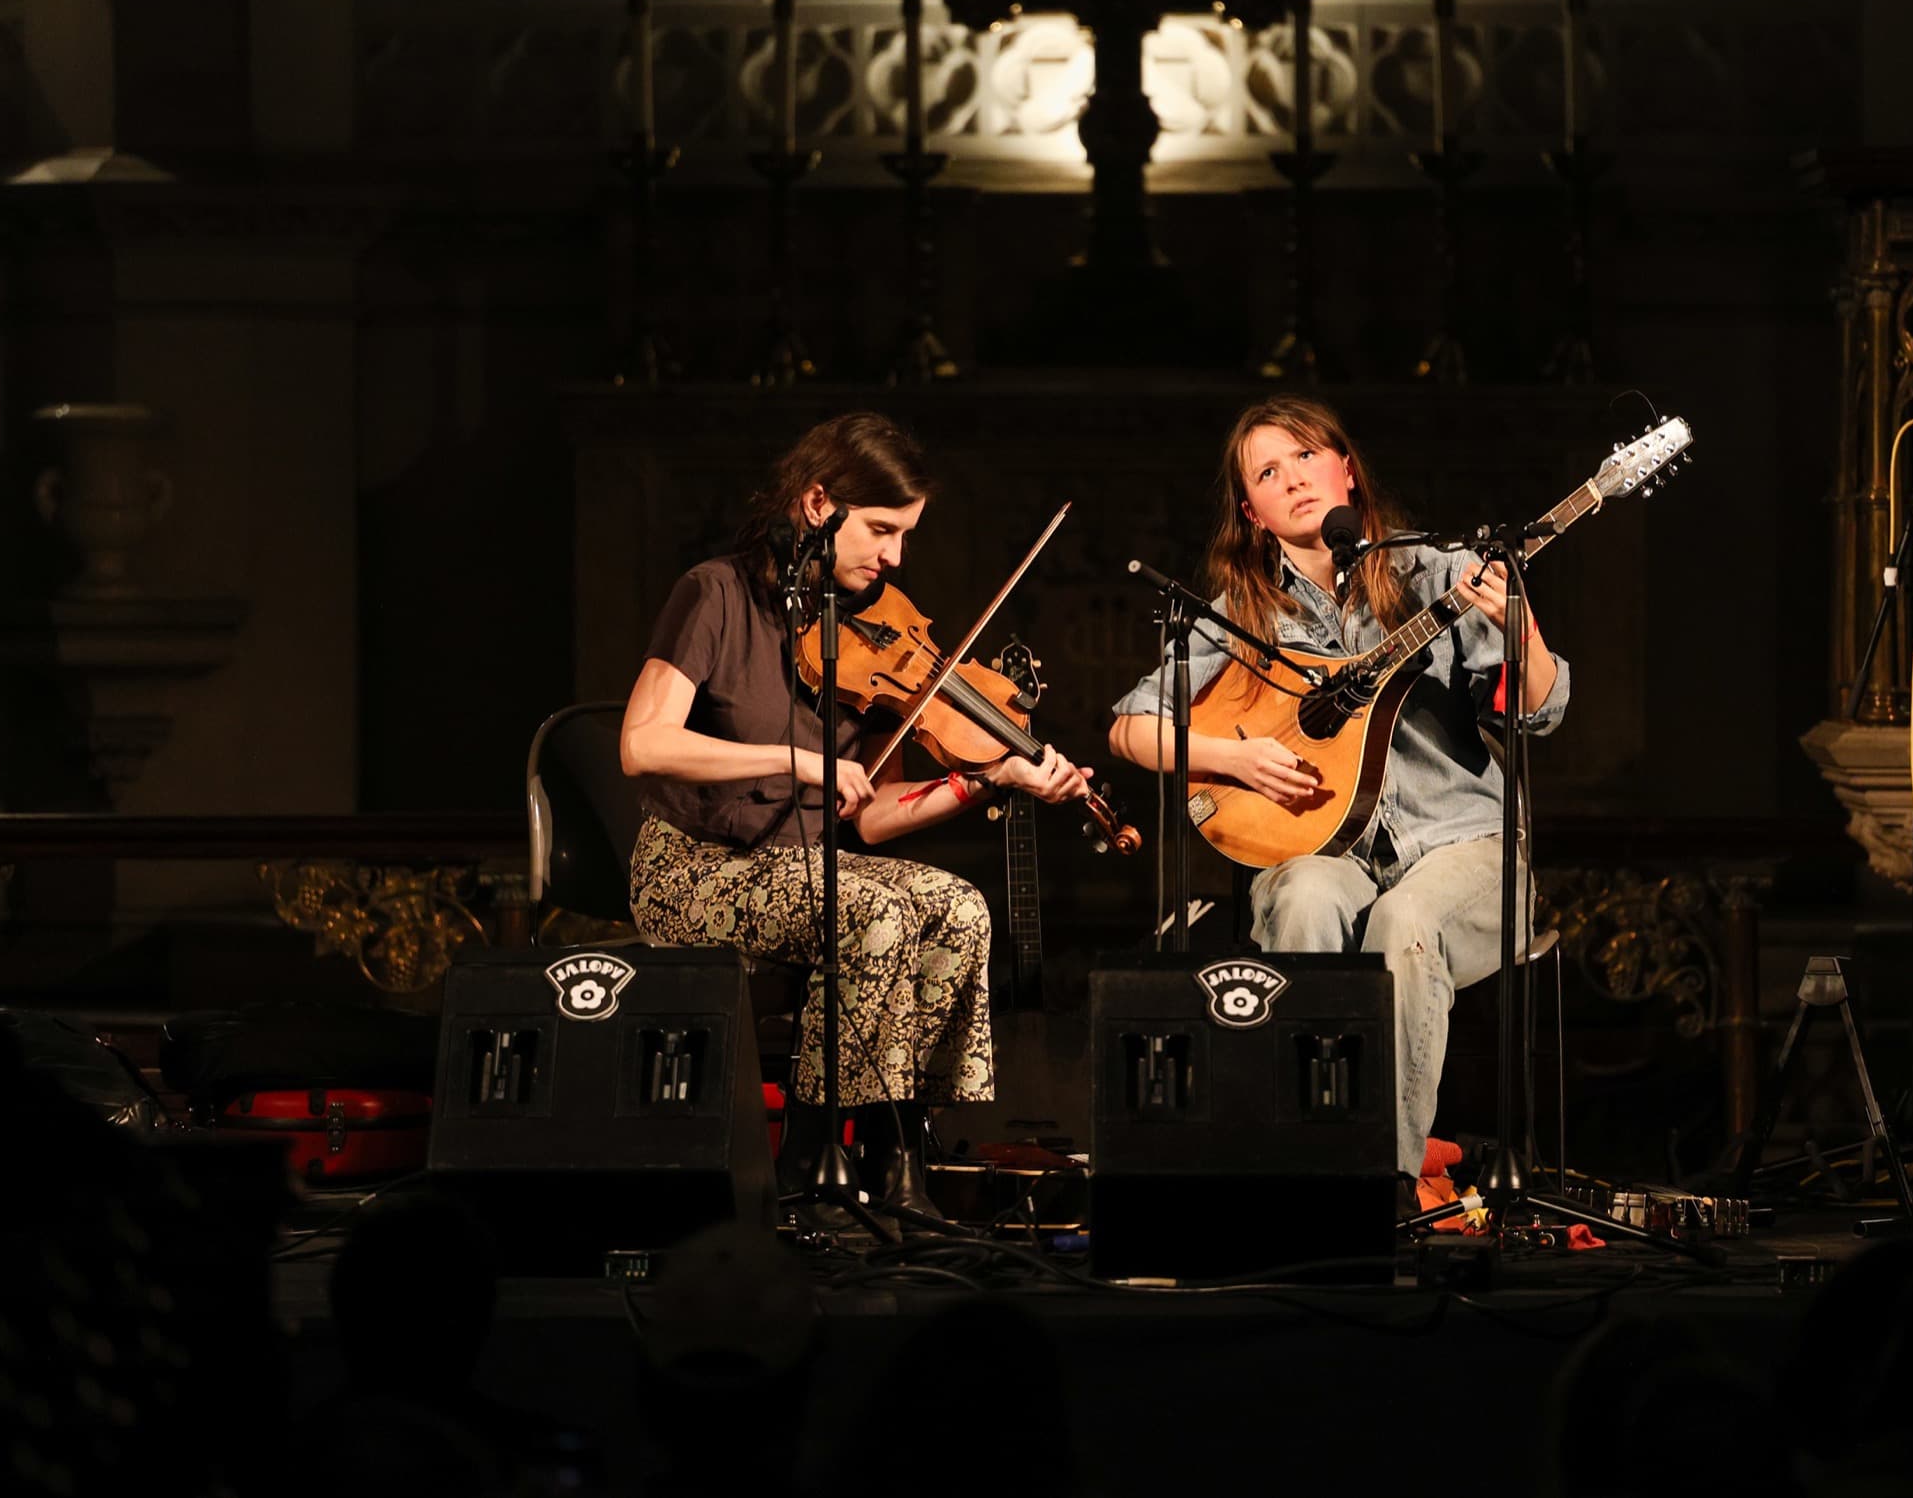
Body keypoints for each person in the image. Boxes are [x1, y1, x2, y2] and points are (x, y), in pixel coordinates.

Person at [622, 412, 1091, 1218]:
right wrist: (794, 759)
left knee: (956, 907)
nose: (894, 556)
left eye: (905, 534)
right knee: (871, 911)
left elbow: (870, 821)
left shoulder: (869, 623)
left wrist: (986, 780)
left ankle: (901, 1147)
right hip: (694, 870)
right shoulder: (716, 593)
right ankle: (811, 1156)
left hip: (808, 865)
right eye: (879, 529)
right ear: (816, 503)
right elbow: (643, 744)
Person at [1106, 395, 1570, 1203]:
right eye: (1267, 473)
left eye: (1306, 456)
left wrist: (1522, 632)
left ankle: (1377, 1185)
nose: (1293, 481)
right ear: (1250, 512)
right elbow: (1130, 727)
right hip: (1337, 850)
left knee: (1403, 920)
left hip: (1464, 848)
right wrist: (1234, 758)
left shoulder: (1438, 575)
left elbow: (1542, 709)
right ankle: (1303, 1170)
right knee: (1302, 896)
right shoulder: (1244, 615)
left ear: (1346, 468)